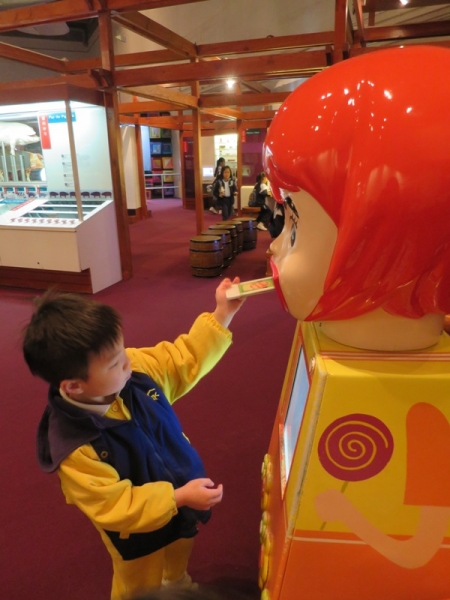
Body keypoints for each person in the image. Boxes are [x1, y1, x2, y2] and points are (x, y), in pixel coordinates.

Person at [262, 45, 450, 596]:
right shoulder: (323, 331)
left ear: (390, 228)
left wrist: (342, 510)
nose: (273, 245)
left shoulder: (424, 417)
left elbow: (416, 548)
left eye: (295, 223)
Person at [22, 279, 245, 600]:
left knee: (180, 545)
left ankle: (176, 583)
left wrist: (222, 314)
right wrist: (177, 498)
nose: (128, 361)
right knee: (140, 582)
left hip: (182, 496)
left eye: (122, 351)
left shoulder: (135, 369)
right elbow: (114, 505)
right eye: (115, 363)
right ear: (73, 386)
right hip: (138, 532)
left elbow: (181, 359)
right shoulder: (74, 447)